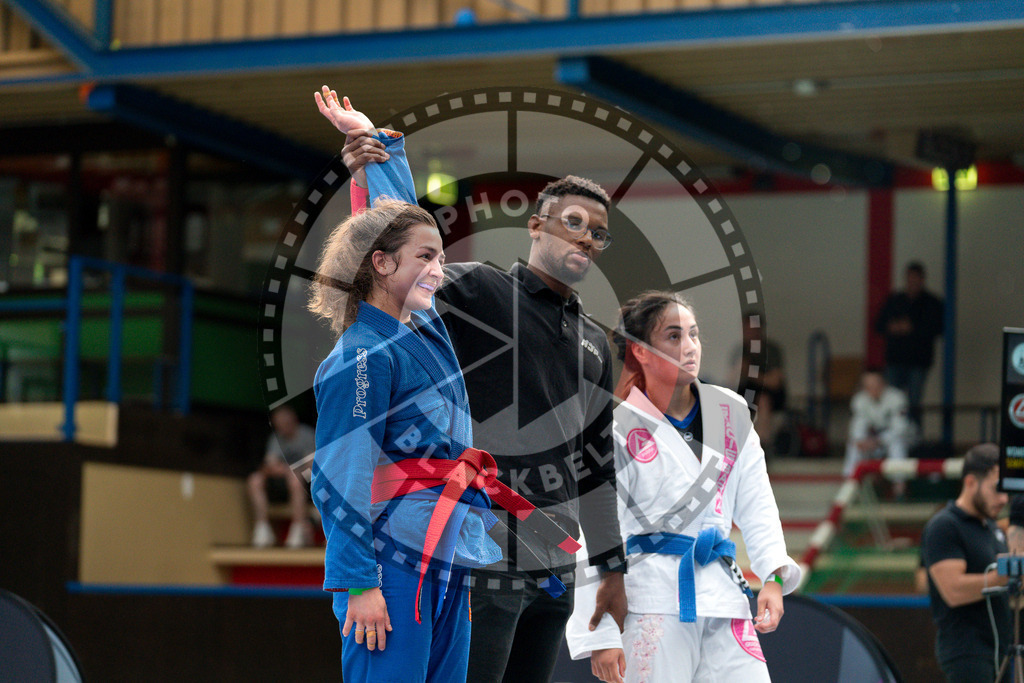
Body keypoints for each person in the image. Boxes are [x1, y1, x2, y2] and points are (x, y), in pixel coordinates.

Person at [316, 87, 627, 683]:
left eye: (597, 231)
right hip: (418, 550)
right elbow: (394, 239)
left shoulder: (586, 339)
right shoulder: (470, 298)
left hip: (473, 550)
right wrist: (377, 162)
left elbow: (598, 458)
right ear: (535, 225)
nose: (437, 268)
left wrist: (610, 564)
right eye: (571, 222)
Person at [307, 196, 505, 681]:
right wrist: (358, 583)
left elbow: (396, 214)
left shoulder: (425, 333)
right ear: (381, 262)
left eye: (441, 257)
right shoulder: (361, 356)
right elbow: (339, 478)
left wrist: (382, 152)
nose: (439, 269)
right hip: (389, 561)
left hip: (444, 550)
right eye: (426, 257)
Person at [566, 291, 801, 683]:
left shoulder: (731, 411)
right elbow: (595, 532)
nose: (690, 347)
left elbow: (757, 503)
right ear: (640, 352)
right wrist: (603, 632)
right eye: (674, 337)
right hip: (650, 601)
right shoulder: (617, 430)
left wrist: (773, 578)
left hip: (722, 594)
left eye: (694, 334)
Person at [921, 443, 1010, 682]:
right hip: (967, 650)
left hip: (1001, 649)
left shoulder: (991, 527)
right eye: (996, 489)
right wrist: (1005, 575)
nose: (1004, 499)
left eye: (1007, 491)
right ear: (971, 482)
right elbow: (953, 591)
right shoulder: (945, 525)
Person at [875, 261, 944, 428]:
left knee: (914, 403)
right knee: (891, 401)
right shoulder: (895, 300)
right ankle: (890, 436)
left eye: (915, 279)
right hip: (895, 360)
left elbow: (938, 328)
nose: (912, 282)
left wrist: (912, 328)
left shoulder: (931, 303)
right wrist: (892, 326)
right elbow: (878, 324)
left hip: (918, 362)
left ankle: (914, 441)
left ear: (922, 279)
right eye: (909, 279)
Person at [248, 404, 316, 548]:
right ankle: (262, 529)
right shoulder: (276, 438)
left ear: (293, 420)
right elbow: (269, 465)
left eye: (285, 422)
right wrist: (285, 469)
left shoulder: (306, 434)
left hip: (307, 484)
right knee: (255, 480)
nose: (282, 427)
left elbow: (313, 465)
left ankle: (298, 529)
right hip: (280, 482)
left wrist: (288, 469)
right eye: (278, 424)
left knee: (294, 480)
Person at [842, 369, 912, 496]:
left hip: (896, 440)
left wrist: (879, 440)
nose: (872, 388)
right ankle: (850, 488)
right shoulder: (859, 400)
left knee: (897, 445)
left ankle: (899, 488)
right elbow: (857, 426)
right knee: (854, 444)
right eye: (868, 385)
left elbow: (901, 428)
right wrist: (861, 441)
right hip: (872, 442)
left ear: (883, 383)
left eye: (876, 384)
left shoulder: (897, 397)